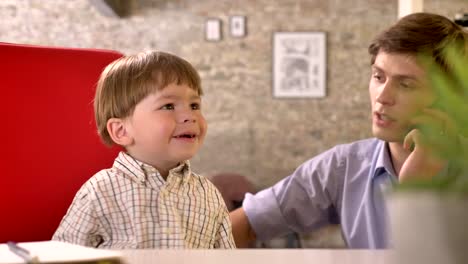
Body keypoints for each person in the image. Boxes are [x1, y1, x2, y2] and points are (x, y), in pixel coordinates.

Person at [230, 12, 468, 249]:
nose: (382, 97)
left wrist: (417, 190)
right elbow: (245, 224)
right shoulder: (345, 166)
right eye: (378, 76)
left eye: (405, 84)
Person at [53, 51, 236, 249]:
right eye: (168, 106)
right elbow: (60, 256)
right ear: (121, 130)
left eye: (194, 105)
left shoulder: (208, 193)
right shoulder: (100, 191)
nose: (190, 116)